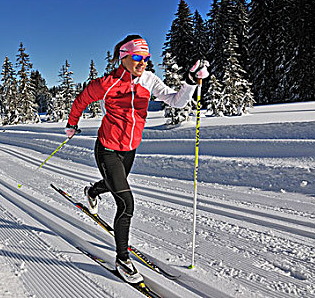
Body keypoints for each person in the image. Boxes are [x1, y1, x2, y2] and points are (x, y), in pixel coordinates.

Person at [64, 34, 209, 283]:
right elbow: (82, 100)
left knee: (113, 185)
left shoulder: (149, 80)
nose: (142, 62)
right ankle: (122, 259)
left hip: (130, 149)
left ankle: (93, 191)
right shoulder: (107, 83)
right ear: (124, 57)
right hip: (107, 148)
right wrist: (71, 124)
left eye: (146, 58)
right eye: (137, 57)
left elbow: (176, 101)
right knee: (126, 204)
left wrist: (189, 82)